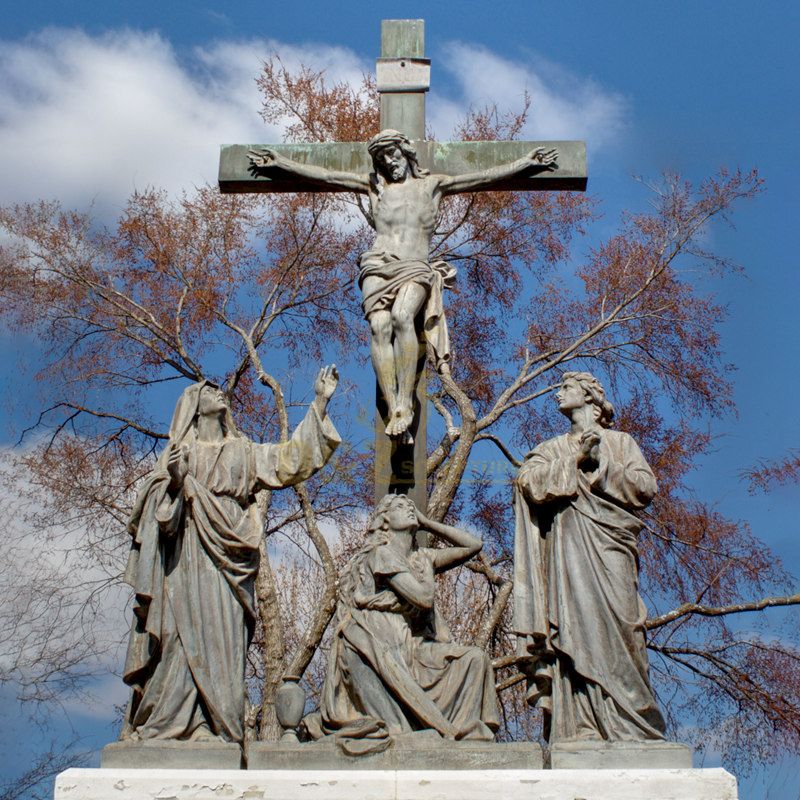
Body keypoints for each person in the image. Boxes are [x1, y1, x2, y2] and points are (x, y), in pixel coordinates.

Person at [249, 130, 557, 439]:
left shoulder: (432, 185)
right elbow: (327, 175)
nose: (390, 163)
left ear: (406, 153)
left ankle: (406, 400)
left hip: (414, 265)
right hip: (377, 265)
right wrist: (281, 164)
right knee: (380, 326)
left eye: (393, 155)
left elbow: (482, 178)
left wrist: (524, 163)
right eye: (383, 159)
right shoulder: (376, 188)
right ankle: (394, 403)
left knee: (402, 316)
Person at [120, 366, 341, 745]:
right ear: (193, 407)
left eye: (219, 389)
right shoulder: (178, 453)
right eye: (209, 390)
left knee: (224, 642)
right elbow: (151, 509)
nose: (219, 392)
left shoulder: (243, 451)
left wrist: (319, 403)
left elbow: (290, 461)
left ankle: (213, 725)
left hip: (230, 564)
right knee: (176, 639)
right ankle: (171, 726)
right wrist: (174, 481)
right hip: (185, 558)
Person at [512, 371, 667, 742]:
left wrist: (600, 463)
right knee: (574, 629)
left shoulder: (621, 442)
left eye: (565, 388)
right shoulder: (551, 448)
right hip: (569, 553)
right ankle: (582, 725)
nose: (558, 394)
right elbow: (527, 482)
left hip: (612, 545)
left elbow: (646, 487)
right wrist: (574, 461)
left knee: (626, 627)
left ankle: (634, 725)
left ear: (589, 398)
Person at [306, 493, 499, 754]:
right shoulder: (382, 554)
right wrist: (427, 571)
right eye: (399, 507)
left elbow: (474, 545)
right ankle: (442, 732)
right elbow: (423, 598)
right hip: (378, 641)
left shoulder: (421, 557)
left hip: (408, 644)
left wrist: (428, 523)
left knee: (475, 659)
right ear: (384, 520)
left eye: (411, 506)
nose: (409, 509)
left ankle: (468, 740)